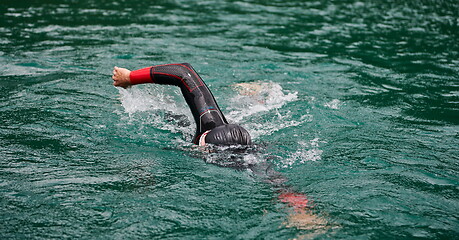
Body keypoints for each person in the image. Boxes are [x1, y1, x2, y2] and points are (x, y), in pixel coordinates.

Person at [112, 63, 329, 231]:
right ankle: (303, 212)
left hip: (222, 142)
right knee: (266, 171)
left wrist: (129, 77)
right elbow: (182, 71)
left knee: (176, 122)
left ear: (204, 144)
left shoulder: (208, 132)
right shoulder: (234, 139)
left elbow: (183, 71)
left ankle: (253, 95)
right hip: (240, 142)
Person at [112, 63, 251, 146]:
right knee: (177, 120)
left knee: (172, 120)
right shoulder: (253, 156)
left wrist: (129, 77)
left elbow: (183, 71)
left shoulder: (209, 125)